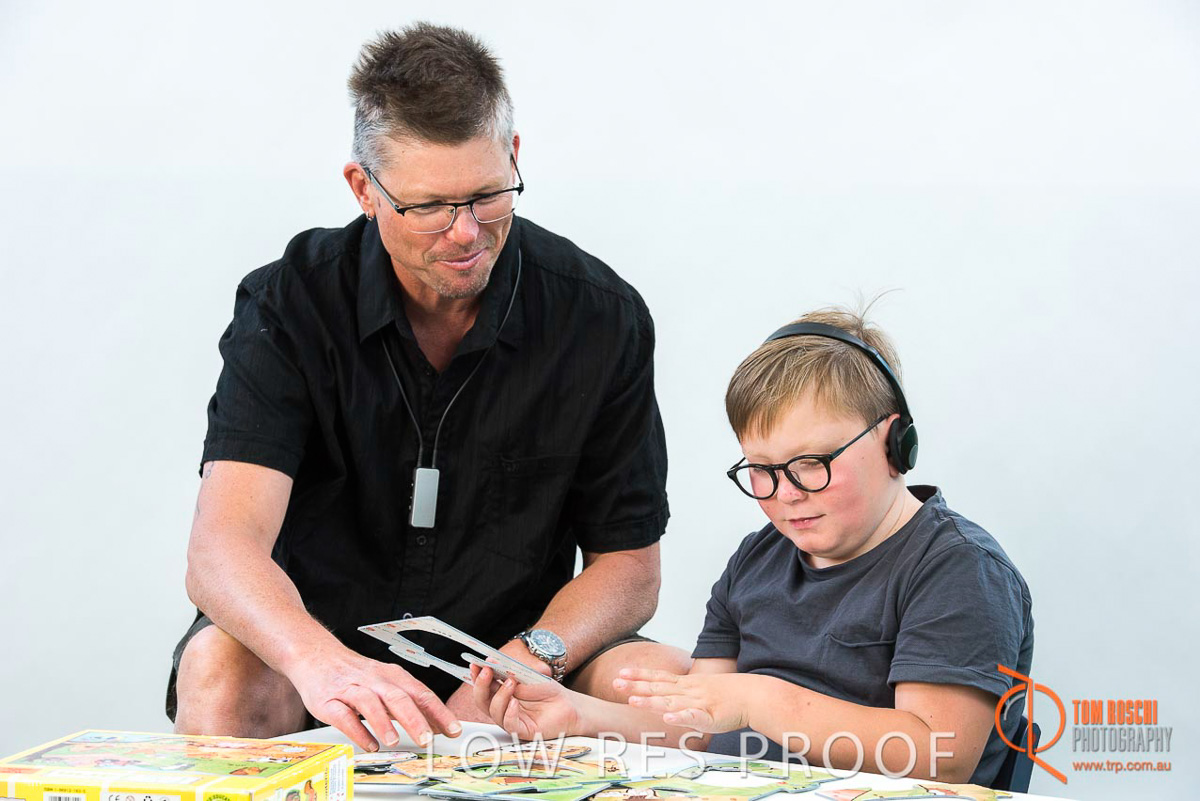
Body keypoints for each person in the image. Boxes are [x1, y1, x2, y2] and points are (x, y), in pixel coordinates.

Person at [169, 22, 688, 752]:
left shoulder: (601, 315)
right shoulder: (290, 303)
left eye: (487, 194)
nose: (466, 232)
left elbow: (629, 568)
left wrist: (521, 662)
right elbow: (223, 547)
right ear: (364, 189)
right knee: (221, 669)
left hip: (518, 654)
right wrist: (322, 663)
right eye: (430, 207)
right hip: (315, 647)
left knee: (657, 680)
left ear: (514, 155)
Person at [472, 306, 1034, 787]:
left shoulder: (957, 569)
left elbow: (940, 755)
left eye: (811, 463)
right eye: (762, 470)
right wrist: (580, 715)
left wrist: (761, 701)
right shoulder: (757, 559)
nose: (786, 494)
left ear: (894, 443)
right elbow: (700, 722)